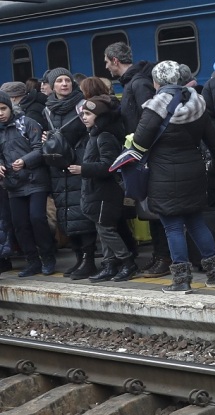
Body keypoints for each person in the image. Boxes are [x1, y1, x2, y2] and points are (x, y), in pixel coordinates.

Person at [130, 61, 215, 293]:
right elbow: (213, 141)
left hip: (164, 175)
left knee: (173, 227)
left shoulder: (155, 106)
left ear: (157, 82)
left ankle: (181, 280)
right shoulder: (197, 104)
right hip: (194, 173)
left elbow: (140, 142)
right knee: (196, 222)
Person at [104, 41, 167, 276]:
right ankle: (159, 255)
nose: (107, 67)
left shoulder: (138, 84)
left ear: (115, 61)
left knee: (154, 208)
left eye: (107, 62)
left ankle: (164, 257)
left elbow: (148, 118)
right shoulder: (134, 81)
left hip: (146, 154)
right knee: (149, 208)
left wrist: (140, 149)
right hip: (142, 153)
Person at [78, 94, 139, 282]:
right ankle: (109, 264)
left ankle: (127, 262)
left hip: (106, 191)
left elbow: (109, 166)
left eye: (88, 113)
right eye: (82, 114)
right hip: (96, 191)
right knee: (101, 227)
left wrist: (83, 169)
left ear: (99, 116)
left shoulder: (104, 136)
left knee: (106, 229)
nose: (84, 117)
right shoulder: (95, 134)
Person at [42, 68, 92, 279]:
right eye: (60, 81)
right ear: (52, 86)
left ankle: (89, 261)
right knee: (66, 216)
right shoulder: (48, 110)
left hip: (77, 166)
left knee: (82, 215)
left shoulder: (82, 106)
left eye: (68, 80)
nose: (65, 84)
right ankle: (78, 258)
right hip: (58, 169)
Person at [0, 90, 52, 277]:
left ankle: (47, 256)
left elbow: (40, 149)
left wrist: (24, 161)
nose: (0, 113)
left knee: (37, 218)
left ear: (10, 107)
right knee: (19, 224)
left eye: (3, 108)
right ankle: (32, 261)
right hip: (13, 185)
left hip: (35, 179)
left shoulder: (27, 123)